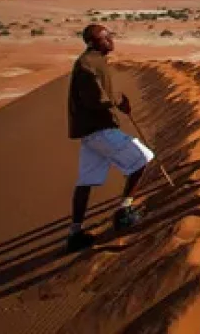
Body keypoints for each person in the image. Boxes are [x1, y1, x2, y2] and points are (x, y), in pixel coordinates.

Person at [66, 24, 154, 252]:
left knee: (85, 181)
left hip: (92, 132)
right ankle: (124, 212)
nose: (111, 40)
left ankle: (75, 232)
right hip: (99, 129)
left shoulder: (93, 62)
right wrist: (118, 101)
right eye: (107, 37)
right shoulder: (87, 65)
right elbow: (94, 99)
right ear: (95, 42)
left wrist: (116, 101)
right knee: (142, 158)